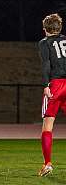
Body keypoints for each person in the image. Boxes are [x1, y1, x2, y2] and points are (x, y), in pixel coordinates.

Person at [38, 13, 66, 176]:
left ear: (45, 29)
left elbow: (46, 64)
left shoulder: (44, 43)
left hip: (56, 85)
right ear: (59, 28)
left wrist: (46, 85)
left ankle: (47, 164)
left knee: (47, 126)